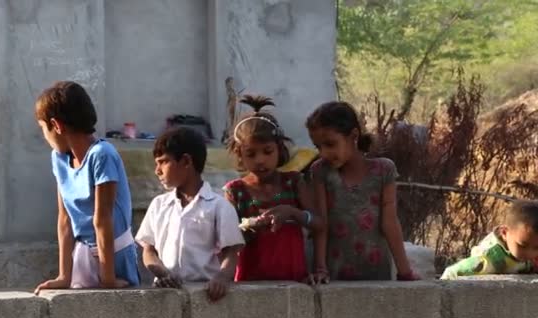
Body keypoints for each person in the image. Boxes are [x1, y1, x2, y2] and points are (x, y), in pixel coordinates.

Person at [34, 81, 139, 294]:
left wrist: (108, 277)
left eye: (43, 128)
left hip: (113, 256)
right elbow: (64, 219)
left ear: (56, 125)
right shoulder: (59, 159)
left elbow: (103, 218)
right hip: (83, 255)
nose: (44, 136)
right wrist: (64, 275)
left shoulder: (102, 154)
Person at [306, 101, 418, 280]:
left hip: (377, 274)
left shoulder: (383, 170)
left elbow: (390, 223)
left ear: (354, 136)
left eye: (330, 144)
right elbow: (322, 223)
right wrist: (320, 269)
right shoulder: (321, 171)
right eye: (318, 147)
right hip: (335, 277)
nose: (324, 153)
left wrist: (405, 273)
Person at [223, 95, 328, 284]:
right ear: (240, 155)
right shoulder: (236, 191)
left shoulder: (293, 182)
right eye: (251, 154)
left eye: (267, 151)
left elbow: (319, 223)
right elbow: (227, 241)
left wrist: (293, 213)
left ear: (279, 149)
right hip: (250, 285)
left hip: (294, 283)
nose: (260, 160)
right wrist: (251, 227)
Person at [135, 127, 244, 301]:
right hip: (165, 293)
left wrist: (222, 278)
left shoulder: (219, 206)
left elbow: (231, 253)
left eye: (163, 162)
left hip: (205, 294)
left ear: (186, 161)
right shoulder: (158, 205)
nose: (157, 170)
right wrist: (162, 273)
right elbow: (148, 251)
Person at [441, 200, 538, 280]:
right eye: (522, 246)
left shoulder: (529, 249)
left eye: (537, 248)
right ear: (504, 233)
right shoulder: (489, 260)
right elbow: (452, 272)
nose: (530, 253)